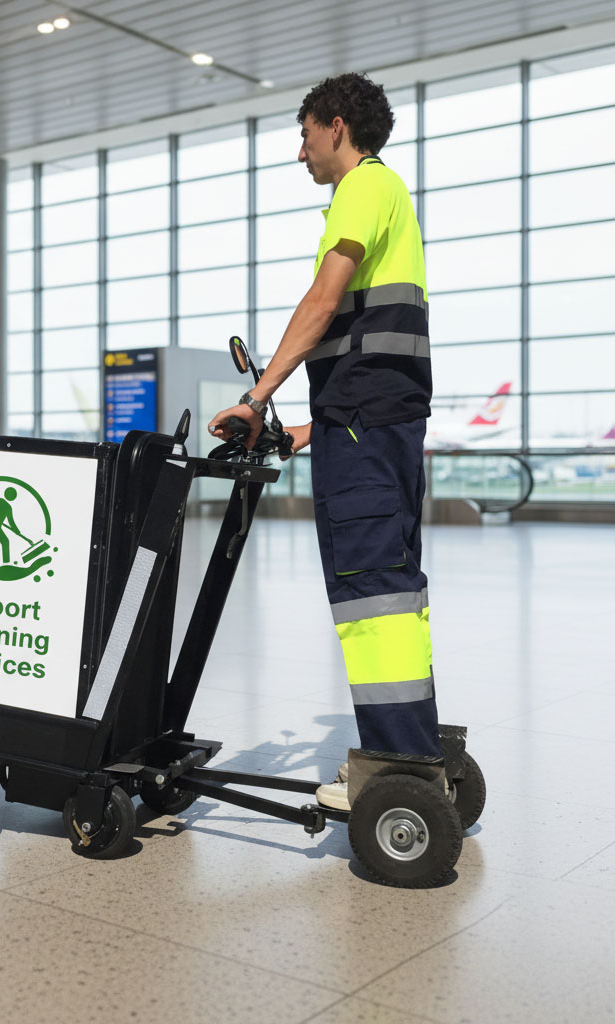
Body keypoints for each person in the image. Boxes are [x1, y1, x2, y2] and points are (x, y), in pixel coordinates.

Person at [208, 72, 439, 811]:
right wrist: (311, 427)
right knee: (392, 589)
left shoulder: (364, 188)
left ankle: (396, 763)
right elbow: (362, 334)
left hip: (366, 427)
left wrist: (256, 394)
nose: (299, 149)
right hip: (369, 423)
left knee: (372, 592)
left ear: (337, 127)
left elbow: (322, 301)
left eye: (305, 133)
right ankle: (407, 748)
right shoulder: (385, 195)